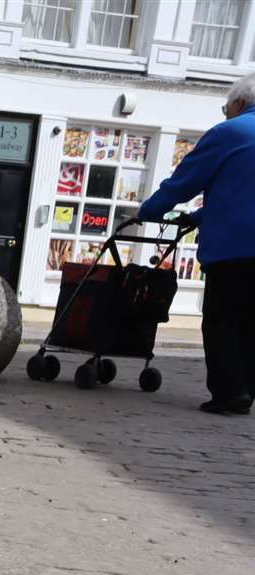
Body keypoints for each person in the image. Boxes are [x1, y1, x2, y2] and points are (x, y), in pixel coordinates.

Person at [138, 74, 255, 416]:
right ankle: (246, 387)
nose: (225, 113)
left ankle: (229, 392)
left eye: (225, 108)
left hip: (234, 250)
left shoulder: (230, 133)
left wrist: (150, 210)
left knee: (222, 319)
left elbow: (185, 181)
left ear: (238, 103)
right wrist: (200, 216)